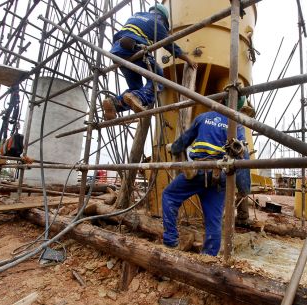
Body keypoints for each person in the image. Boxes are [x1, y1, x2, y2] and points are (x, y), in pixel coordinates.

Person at [162, 98, 251, 256]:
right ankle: (208, 259)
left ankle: (170, 242)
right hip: (219, 177)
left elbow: (183, 141)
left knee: (169, 195)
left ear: (221, 99)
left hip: (198, 171)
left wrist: (174, 148)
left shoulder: (203, 118)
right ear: (238, 107)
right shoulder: (236, 125)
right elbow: (242, 156)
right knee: (214, 222)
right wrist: (244, 189)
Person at [103, 4, 197, 120]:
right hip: (135, 49)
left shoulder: (136, 15)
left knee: (135, 87)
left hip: (118, 52)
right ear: (162, 18)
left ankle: (113, 104)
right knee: (157, 79)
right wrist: (188, 59)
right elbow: (170, 45)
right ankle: (138, 97)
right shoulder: (158, 24)